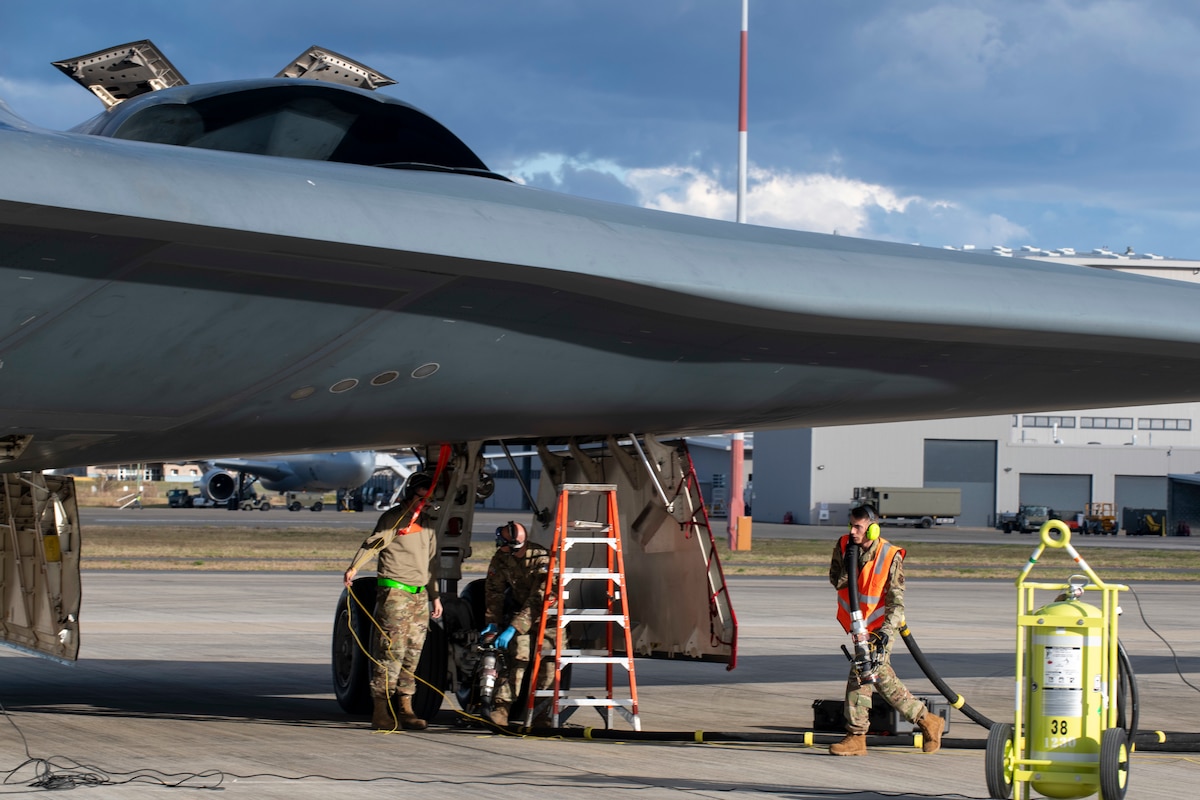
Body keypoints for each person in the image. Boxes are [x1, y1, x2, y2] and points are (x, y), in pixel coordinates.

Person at [827, 505, 943, 756]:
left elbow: (896, 600)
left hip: (880, 628)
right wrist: (851, 563)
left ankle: (856, 736)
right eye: (851, 525)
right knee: (878, 678)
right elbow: (836, 579)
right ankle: (927, 720)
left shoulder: (890, 555)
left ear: (873, 528)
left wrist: (887, 632)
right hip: (859, 624)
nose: (853, 531)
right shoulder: (845, 545)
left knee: (862, 672)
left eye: (858, 527)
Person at [343, 476, 443, 731]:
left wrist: (435, 597)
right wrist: (355, 566)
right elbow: (375, 542)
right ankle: (380, 709)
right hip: (395, 592)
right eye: (421, 496)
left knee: (412, 654)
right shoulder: (395, 519)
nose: (426, 502)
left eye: (428, 497)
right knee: (390, 653)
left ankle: (405, 707)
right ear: (411, 496)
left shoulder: (428, 525)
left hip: (419, 595)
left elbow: (432, 564)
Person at [480, 520, 554, 727]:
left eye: (502, 541)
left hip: (548, 619)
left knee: (548, 665)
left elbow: (541, 598)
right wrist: (492, 623)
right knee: (517, 658)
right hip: (522, 617)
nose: (498, 544)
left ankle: (540, 715)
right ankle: (502, 709)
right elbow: (493, 592)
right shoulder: (502, 558)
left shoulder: (541, 559)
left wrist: (513, 627)